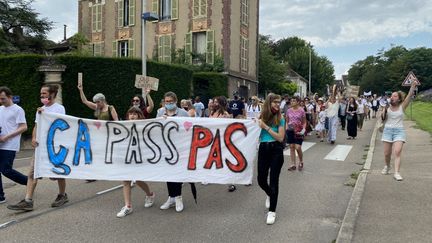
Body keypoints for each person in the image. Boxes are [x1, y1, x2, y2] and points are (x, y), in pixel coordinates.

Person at [8, 84, 69, 211]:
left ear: (52, 94)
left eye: (44, 94)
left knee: (57, 173)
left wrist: (45, 115)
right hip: (40, 148)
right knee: (32, 172)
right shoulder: (40, 109)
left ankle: (62, 195)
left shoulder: (59, 108)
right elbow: (36, 126)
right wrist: (34, 137)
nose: (42, 96)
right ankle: (28, 200)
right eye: (41, 94)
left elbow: (61, 124)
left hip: (54, 147)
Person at [116, 107, 155, 218]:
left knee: (138, 180)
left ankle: (150, 194)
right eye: (130, 114)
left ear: (139, 115)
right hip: (126, 157)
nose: (132, 116)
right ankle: (128, 206)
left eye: (135, 114)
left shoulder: (144, 126)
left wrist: (164, 119)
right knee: (125, 180)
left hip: (139, 157)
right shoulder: (123, 126)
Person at [157, 91, 189, 212]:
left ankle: (178, 197)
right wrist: (161, 120)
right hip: (165, 147)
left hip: (179, 147)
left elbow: (189, 127)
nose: (168, 104)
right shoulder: (160, 112)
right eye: (167, 102)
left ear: (175, 101)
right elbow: (155, 126)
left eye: (171, 102)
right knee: (168, 172)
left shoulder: (183, 113)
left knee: (177, 172)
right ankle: (171, 197)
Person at [257, 93, 285, 225]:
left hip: (276, 151)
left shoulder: (281, 118)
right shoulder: (261, 116)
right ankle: (269, 193)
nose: (277, 105)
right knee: (261, 179)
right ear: (269, 103)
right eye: (275, 102)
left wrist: (266, 127)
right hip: (263, 149)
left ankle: (272, 211)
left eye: (279, 102)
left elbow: (280, 137)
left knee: (274, 181)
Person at [381, 81, 417, 181]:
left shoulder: (402, 106)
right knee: (387, 153)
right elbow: (382, 119)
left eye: (395, 96)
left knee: (397, 152)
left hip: (399, 131)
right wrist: (384, 111)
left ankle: (396, 172)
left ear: (399, 98)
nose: (392, 97)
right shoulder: (387, 107)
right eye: (392, 96)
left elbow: (409, 96)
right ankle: (387, 166)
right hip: (387, 131)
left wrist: (412, 87)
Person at [0, 86, 28, 204]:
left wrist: (7, 137)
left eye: (3, 99)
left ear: (10, 97)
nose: (1, 101)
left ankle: (29, 181)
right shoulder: (0, 109)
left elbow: (24, 127)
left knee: (6, 170)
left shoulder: (18, 110)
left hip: (10, 144)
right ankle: (0, 197)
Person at [285, 96, 306, 171]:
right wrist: (286, 128)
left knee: (298, 147)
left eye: (294, 101)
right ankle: (293, 164)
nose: (292, 102)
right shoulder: (289, 110)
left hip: (299, 131)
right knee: (291, 147)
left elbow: (304, 122)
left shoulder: (302, 110)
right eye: (291, 101)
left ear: (298, 102)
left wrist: (303, 130)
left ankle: (301, 161)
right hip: (290, 130)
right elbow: (287, 120)